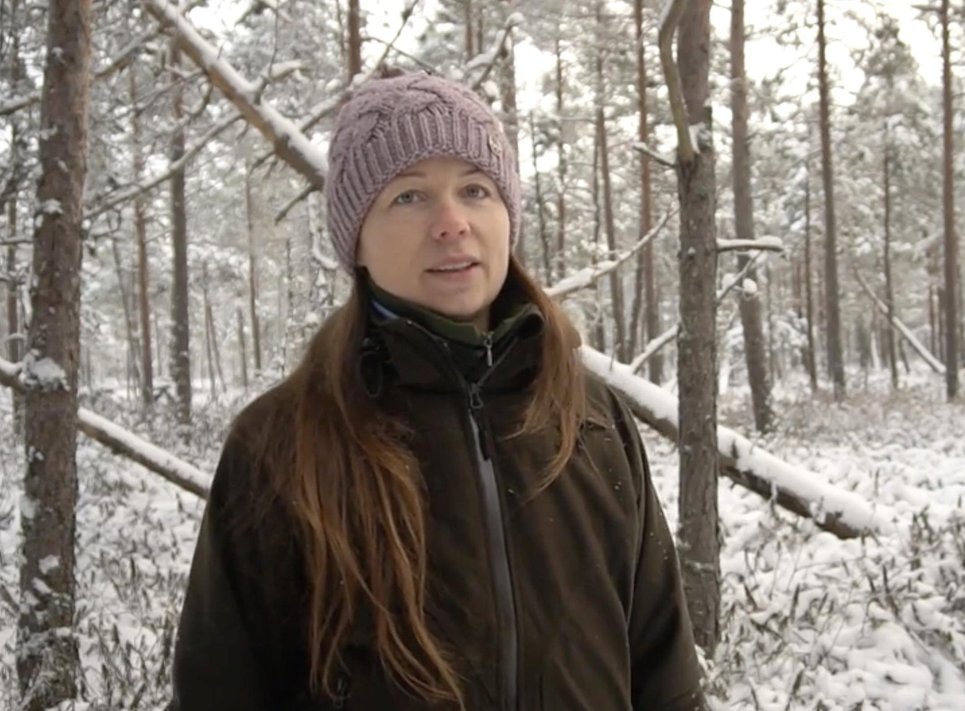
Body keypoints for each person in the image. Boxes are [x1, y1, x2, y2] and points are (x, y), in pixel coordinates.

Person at [169, 72, 704, 711]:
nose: (452, 223)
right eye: (409, 197)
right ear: (356, 240)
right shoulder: (283, 443)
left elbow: (666, 679)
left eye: (475, 190)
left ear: (507, 217)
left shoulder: (589, 420)